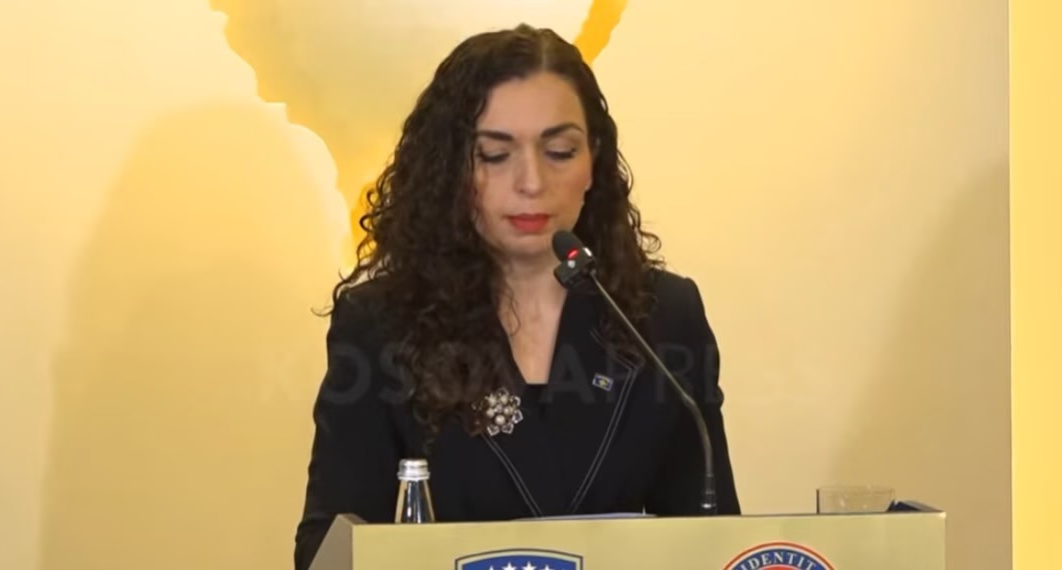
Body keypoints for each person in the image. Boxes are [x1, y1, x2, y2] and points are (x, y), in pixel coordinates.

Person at [293, 23, 740, 570]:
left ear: (593, 160)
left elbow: (712, 538)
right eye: (494, 155)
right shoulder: (380, 324)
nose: (531, 181)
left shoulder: (663, 316)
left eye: (559, 151)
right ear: (450, 168)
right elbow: (329, 550)